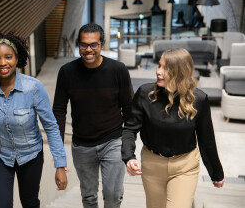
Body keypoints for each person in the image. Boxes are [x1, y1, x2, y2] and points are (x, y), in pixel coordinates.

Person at [0, 32, 68, 208]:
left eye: (8, 57)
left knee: (29, 202)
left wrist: (60, 165)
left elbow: (51, 126)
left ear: (17, 58)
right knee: (1, 204)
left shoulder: (34, 87)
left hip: (31, 155)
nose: (3, 63)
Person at [122, 48, 224, 208]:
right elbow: (129, 129)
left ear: (180, 72)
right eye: (159, 66)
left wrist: (216, 172)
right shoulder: (145, 93)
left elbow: (206, 140)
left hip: (185, 166)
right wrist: (129, 156)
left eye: (165, 68)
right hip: (152, 164)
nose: (158, 72)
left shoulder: (199, 99)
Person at [53, 23, 134, 208]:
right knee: (89, 198)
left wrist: (129, 150)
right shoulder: (67, 72)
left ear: (102, 44)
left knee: (113, 196)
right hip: (82, 145)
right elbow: (59, 111)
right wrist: (59, 156)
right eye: (83, 45)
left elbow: (129, 111)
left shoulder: (118, 70)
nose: (88, 49)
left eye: (94, 45)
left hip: (113, 141)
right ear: (78, 45)